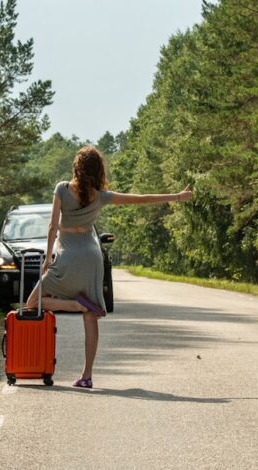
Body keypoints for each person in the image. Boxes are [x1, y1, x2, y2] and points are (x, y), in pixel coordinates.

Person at [24, 146, 192, 388]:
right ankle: (87, 375)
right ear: (98, 170)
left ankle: (73, 305)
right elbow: (140, 200)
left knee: (33, 302)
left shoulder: (62, 188)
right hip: (92, 258)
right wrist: (176, 196)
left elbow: (52, 227)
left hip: (68, 256)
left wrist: (48, 259)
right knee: (90, 315)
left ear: (76, 167)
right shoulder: (101, 196)